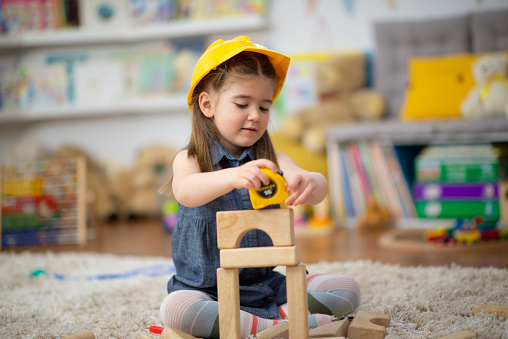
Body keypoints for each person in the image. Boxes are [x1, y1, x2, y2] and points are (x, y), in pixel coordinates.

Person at [159, 36, 360, 338]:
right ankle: (278, 326)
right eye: (242, 104)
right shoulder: (190, 160)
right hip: (206, 290)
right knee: (175, 309)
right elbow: (185, 191)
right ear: (207, 104)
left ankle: (256, 322)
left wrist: (310, 182)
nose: (255, 115)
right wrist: (232, 177)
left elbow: (319, 187)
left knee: (346, 289)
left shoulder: (273, 160)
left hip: (268, 288)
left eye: (264, 107)